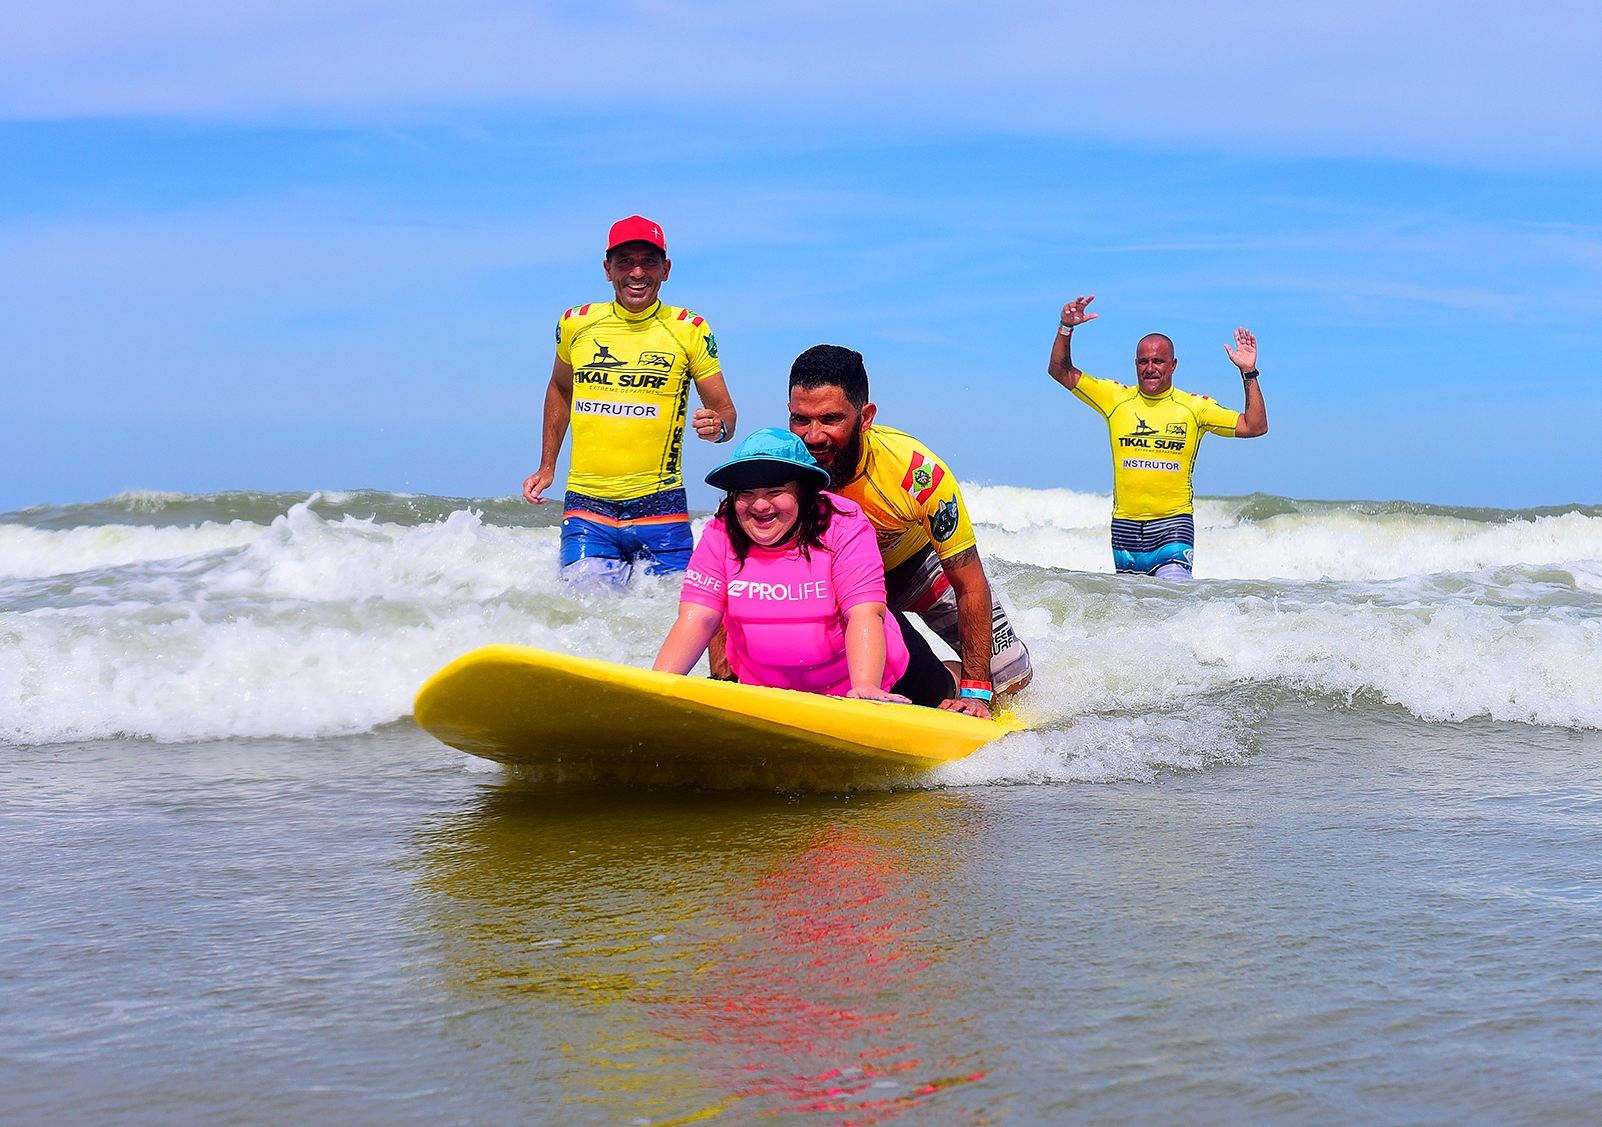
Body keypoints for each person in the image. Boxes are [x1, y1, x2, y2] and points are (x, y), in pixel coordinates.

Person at [784, 346, 1032, 720]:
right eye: (800, 419)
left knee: (1010, 681)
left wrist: (976, 691)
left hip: (915, 567)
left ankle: (957, 675)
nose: (813, 437)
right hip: (839, 579)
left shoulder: (917, 474)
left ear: (865, 417)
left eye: (831, 419)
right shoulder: (780, 466)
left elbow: (970, 584)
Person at [653, 429, 957, 707]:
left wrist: (866, 687)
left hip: (886, 680)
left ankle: (956, 676)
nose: (760, 506)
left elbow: (864, 613)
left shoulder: (843, 525)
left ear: (804, 492)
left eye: (775, 492)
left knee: (944, 692)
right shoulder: (722, 531)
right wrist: (656, 688)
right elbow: (698, 619)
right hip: (772, 691)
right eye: (746, 493)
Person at [522, 216, 738, 586]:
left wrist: (717, 429)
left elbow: (726, 414)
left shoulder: (690, 328)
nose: (637, 272)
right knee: (588, 619)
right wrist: (546, 466)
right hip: (588, 509)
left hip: (661, 510)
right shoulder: (577, 323)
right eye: (625, 261)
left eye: (648, 262)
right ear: (608, 270)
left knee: (669, 622)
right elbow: (560, 388)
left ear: (665, 270)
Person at [1047, 294, 1268, 577]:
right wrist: (1066, 329)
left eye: (1159, 361)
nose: (1150, 368)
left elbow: (1255, 426)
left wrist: (1249, 372)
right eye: (1143, 362)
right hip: (1125, 529)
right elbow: (1059, 370)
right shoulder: (1116, 399)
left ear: (1173, 365)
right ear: (1136, 364)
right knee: (1136, 612)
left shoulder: (1194, 407)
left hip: (1173, 527)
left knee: (1172, 602)